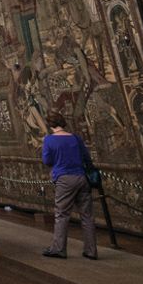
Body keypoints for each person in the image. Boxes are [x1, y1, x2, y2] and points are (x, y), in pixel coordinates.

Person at [41, 111, 97, 260]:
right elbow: (86, 157)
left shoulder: (49, 140)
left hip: (64, 179)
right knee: (87, 216)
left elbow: (47, 161)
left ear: (50, 125)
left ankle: (59, 248)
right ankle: (91, 250)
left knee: (62, 214)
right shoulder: (75, 138)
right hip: (81, 177)